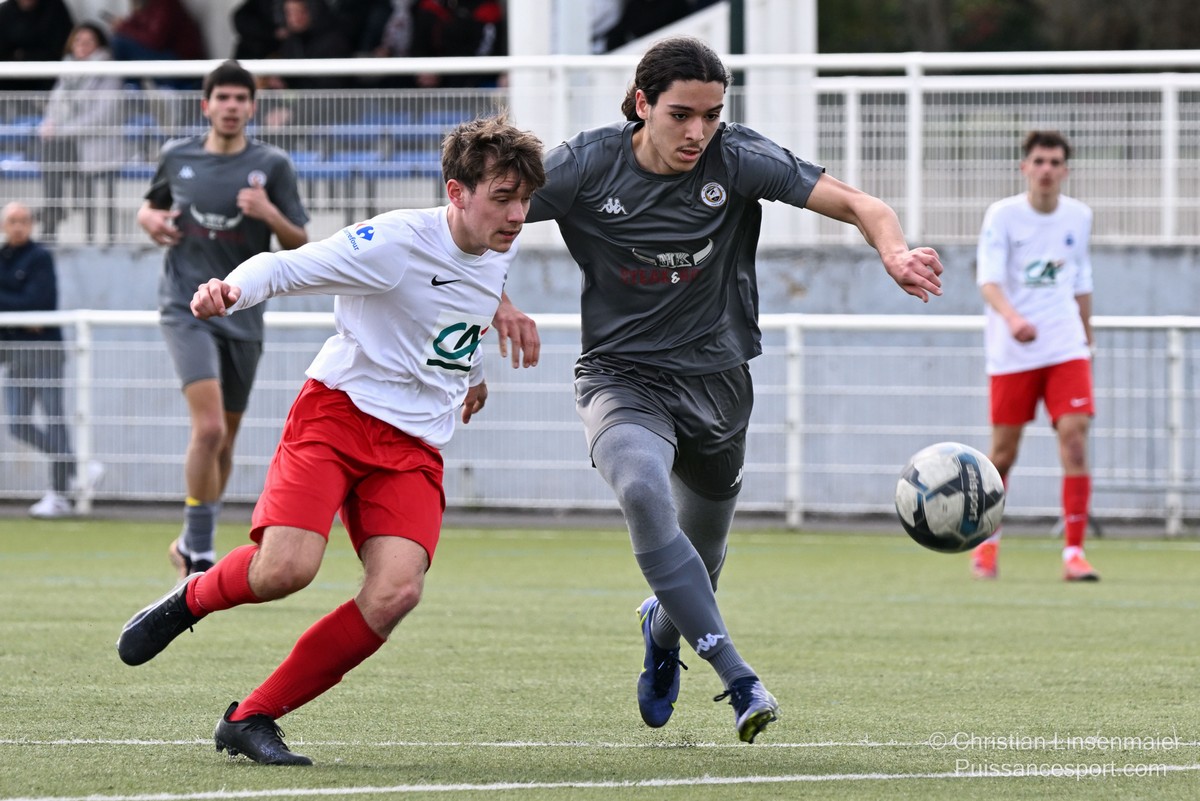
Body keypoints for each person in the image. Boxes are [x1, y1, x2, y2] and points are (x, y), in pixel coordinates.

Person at [522, 35, 943, 744]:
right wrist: (494, 300)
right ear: (641, 104)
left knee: (703, 558)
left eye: (712, 115)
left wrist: (895, 252)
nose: (698, 132)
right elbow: (483, 214)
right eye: (681, 115)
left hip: (718, 385)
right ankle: (739, 677)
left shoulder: (738, 156)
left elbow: (859, 203)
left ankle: (662, 631)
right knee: (643, 490)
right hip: (621, 377)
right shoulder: (585, 164)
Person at [116, 113, 546, 766]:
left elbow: (464, 301)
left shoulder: (498, 240)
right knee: (285, 570)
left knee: (397, 592)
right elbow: (286, 265)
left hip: (413, 444)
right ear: (456, 193)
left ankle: (252, 715)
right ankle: (193, 594)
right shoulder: (393, 242)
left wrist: (472, 371)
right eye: (504, 197)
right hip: (339, 416)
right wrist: (232, 290)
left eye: (525, 199)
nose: (517, 215)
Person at [136, 60, 310, 578]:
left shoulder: (272, 164)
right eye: (223, 98)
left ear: (252, 107)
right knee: (208, 428)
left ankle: (189, 542)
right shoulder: (178, 156)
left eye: (240, 98)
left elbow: (298, 240)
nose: (231, 106)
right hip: (186, 307)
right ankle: (201, 553)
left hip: (242, 313)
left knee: (226, 440)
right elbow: (150, 206)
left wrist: (268, 213)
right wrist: (148, 218)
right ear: (206, 105)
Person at [970, 130, 1098, 583]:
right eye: (1039, 161)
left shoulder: (1079, 216)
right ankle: (987, 545)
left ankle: (1074, 553)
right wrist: (1013, 319)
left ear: (1065, 170)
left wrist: (1087, 340)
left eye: (1055, 162)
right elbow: (988, 281)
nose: (1046, 169)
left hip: (1065, 347)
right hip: (1014, 351)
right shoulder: (1003, 216)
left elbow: (1081, 281)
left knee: (1075, 441)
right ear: (1024, 167)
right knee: (1003, 455)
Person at [0, 202, 103, 518]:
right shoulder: (3, 257)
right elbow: (21, 308)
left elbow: (38, 304)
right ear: (4, 225)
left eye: (23, 220)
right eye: (12, 220)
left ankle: (60, 492)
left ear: (31, 224)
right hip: (14, 353)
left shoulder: (39, 257)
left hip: (44, 351)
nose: (18, 226)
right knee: (18, 423)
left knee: (54, 418)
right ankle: (79, 467)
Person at [37, 22, 132, 240]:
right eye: (78, 40)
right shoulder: (67, 70)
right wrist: (48, 124)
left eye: (89, 41)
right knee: (49, 146)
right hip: (69, 146)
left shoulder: (109, 72)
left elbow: (100, 117)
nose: (82, 45)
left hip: (97, 146)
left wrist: (61, 131)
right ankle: (53, 209)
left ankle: (54, 212)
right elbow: (54, 105)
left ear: (100, 45)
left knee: (54, 146)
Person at [0, 0, 74, 92]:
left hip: (48, 76)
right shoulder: (5, 12)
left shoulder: (55, 9)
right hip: (11, 79)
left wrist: (24, 56)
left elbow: (63, 45)